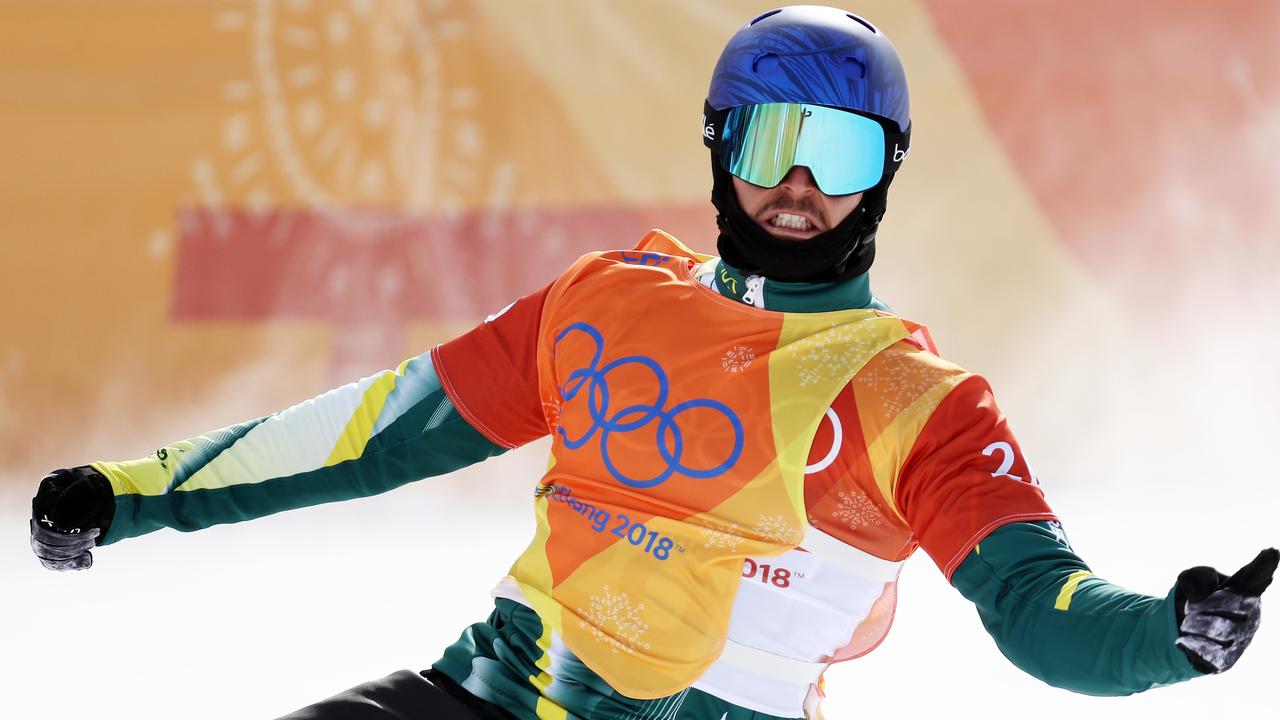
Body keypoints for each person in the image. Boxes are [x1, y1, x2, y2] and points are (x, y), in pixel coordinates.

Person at [30, 6, 1275, 720]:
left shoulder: (912, 399)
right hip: (488, 701)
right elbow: (377, 429)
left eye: (834, 153)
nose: (796, 184)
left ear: (884, 172)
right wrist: (133, 493)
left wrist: (1167, 631)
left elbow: (1037, 607)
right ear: (716, 147)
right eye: (770, 141)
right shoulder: (605, 302)